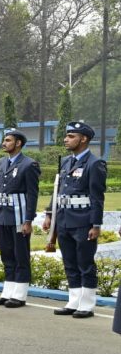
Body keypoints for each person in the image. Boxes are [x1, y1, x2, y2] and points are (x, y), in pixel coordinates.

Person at [44, 121, 108, 319]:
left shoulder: (94, 164)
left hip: (83, 221)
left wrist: (96, 225)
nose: (66, 139)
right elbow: (58, 191)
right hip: (64, 220)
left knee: (85, 263)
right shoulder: (65, 162)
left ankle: (87, 304)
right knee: (69, 262)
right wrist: (49, 214)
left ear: (84, 139)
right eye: (67, 135)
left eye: (71, 136)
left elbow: (98, 197)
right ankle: (73, 300)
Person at [0, 128, 40, 308]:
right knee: (7, 255)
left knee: (20, 256)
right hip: (3, 215)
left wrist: (28, 220)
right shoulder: (1, 162)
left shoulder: (29, 164)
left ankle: (19, 294)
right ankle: (8, 291)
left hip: (19, 217)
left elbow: (32, 194)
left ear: (18, 143)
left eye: (8, 140)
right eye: (4, 140)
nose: (4, 143)